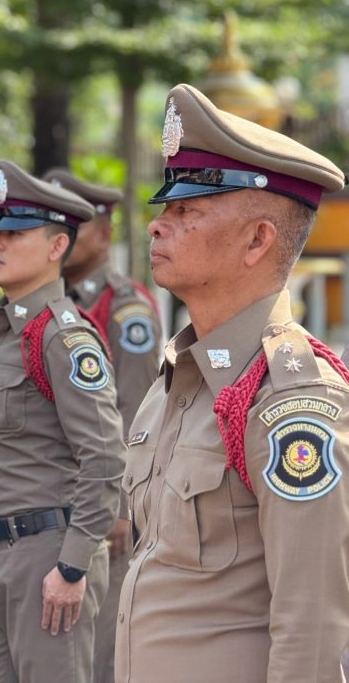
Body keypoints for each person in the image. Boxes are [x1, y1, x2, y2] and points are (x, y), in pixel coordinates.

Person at [116, 83, 349, 683]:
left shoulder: (292, 400)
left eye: (187, 211)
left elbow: (312, 632)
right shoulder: (180, 377)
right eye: (165, 208)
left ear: (256, 240)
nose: (157, 226)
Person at [0, 161, 125, 683]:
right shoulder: (8, 330)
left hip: (49, 556)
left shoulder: (63, 336)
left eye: (16, 233)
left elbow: (105, 455)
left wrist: (72, 565)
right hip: (0, 553)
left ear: (57, 246)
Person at [43, 169, 161, 683]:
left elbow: (135, 407)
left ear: (106, 233)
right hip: (60, 499)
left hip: (102, 507)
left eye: (77, 225)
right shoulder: (58, 302)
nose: (64, 237)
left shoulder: (124, 307)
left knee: (99, 654)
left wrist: (120, 508)